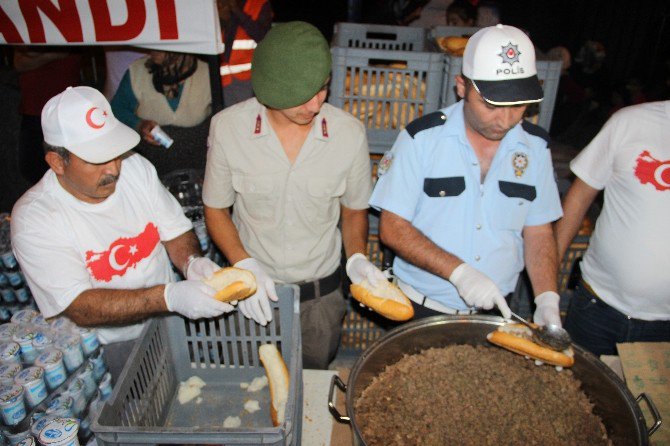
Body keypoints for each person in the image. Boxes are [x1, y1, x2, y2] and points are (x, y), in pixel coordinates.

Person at [10, 86, 233, 382]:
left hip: (166, 322)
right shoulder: (35, 218)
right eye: (97, 159)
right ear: (57, 162)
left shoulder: (135, 168)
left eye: (114, 153)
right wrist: (168, 296)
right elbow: (80, 306)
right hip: (105, 347)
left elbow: (175, 230)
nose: (114, 168)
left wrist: (192, 262)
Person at [202, 21, 381, 369]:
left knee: (310, 388)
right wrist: (244, 263)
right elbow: (216, 209)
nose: (316, 104)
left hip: (319, 300)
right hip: (251, 293)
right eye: (304, 94)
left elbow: (354, 210)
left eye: (323, 88)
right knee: (246, 386)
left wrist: (356, 256)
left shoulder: (349, 133)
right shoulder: (228, 128)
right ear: (272, 87)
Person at [369, 24, 563, 325]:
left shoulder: (535, 148)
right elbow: (392, 227)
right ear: (462, 86)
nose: (506, 119)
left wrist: (547, 299)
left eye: (518, 106)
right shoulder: (422, 140)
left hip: (496, 313)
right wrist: (459, 272)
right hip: (421, 309)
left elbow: (538, 232)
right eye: (491, 104)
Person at [555, 100, 670, 356]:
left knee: (644, 397)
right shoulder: (631, 122)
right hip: (597, 306)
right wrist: (548, 277)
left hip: (665, 326)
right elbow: (578, 198)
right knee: (575, 390)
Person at [111, 50, 212, 145]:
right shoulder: (137, 71)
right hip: (149, 156)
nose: (154, 49)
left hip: (198, 154)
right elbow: (117, 109)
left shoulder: (208, 72)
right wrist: (139, 124)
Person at [13, 46, 82, 184]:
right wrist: (51, 54)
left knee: (70, 170)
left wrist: (36, 55)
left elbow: (67, 50)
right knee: (31, 169)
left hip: (65, 114)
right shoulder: (29, 26)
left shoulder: (68, 27)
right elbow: (19, 63)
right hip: (32, 111)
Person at [217, 0, 273, 106]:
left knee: (249, 117)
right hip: (224, 78)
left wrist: (236, 10)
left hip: (249, 78)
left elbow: (264, 37)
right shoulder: (220, 4)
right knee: (229, 119)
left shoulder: (259, 4)